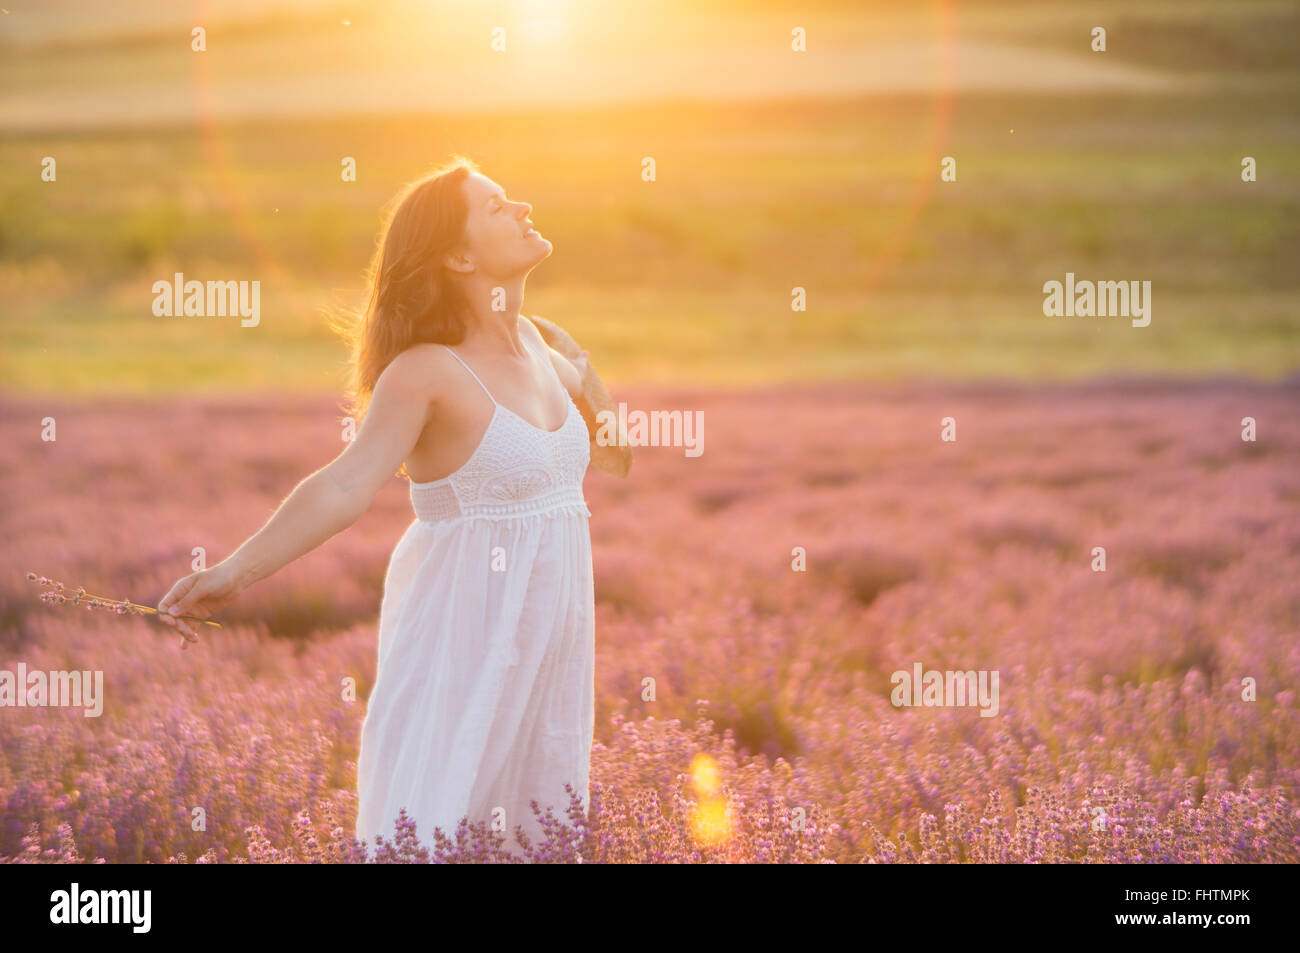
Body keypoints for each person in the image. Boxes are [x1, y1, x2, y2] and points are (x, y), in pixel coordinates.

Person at [156, 155, 632, 859]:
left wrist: (584, 367)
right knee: (438, 822)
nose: (523, 207)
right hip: (463, 647)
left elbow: (617, 457)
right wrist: (234, 572)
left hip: (549, 657)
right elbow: (345, 485)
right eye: (497, 206)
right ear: (459, 255)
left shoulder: (540, 347)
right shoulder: (425, 373)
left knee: (538, 830)